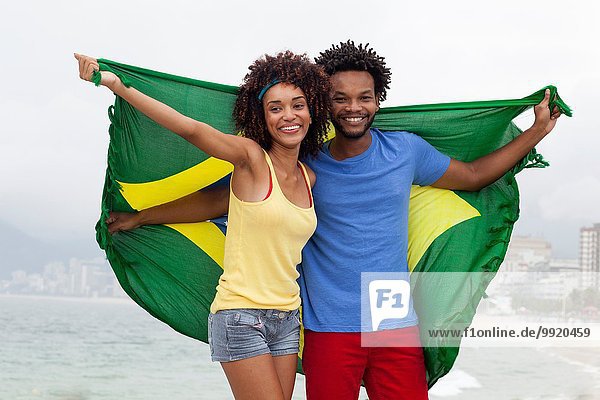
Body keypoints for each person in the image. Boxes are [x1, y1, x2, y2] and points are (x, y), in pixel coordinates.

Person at [104, 41, 561, 400]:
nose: (353, 107)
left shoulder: (404, 151)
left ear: (378, 101)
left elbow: (476, 174)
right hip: (326, 325)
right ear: (324, 103)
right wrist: (143, 216)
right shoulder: (305, 162)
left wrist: (537, 131)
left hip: (390, 319)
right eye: (339, 98)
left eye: (364, 97)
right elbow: (219, 201)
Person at [75, 51, 332, 400]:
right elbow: (191, 129)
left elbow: (215, 203)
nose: (288, 115)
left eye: (297, 105)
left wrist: (142, 217)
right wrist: (118, 87)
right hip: (241, 315)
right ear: (262, 117)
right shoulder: (251, 159)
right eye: (275, 108)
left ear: (312, 109)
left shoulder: (309, 177)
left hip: (287, 317)